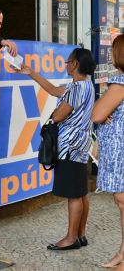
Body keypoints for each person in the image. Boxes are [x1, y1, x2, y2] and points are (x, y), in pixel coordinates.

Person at [17, 48, 95, 250]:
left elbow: (60, 115)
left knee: (73, 194)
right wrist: (31, 73)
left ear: (75, 64)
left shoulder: (77, 87)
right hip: (80, 144)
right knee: (81, 192)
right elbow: (52, 89)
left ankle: (70, 238)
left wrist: (51, 119)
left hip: (69, 145)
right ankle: (81, 235)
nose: (66, 65)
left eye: (68, 62)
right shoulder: (86, 85)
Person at [92, 34, 124, 268]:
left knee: (122, 200)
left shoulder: (120, 84)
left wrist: (104, 113)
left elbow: (96, 115)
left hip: (120, 153)